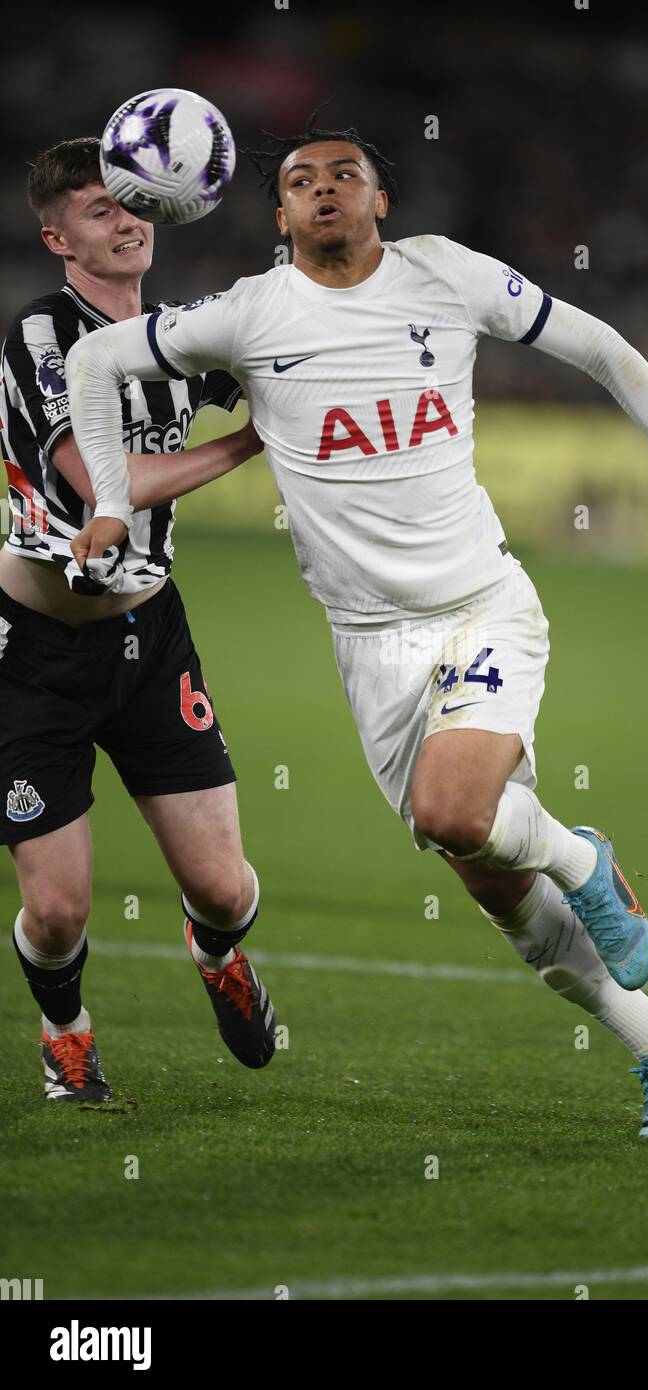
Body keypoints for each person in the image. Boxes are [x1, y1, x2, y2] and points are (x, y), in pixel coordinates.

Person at [66, 117, 648, 1137]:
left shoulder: (448, 277)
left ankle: (582, 858)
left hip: (479, 604)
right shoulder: (249, 314)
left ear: (380, 199)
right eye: (301, 180)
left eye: (346, 174)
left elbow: (602, 347)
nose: (325, 189)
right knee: (490, 883)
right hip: (367, 642)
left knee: (451, 813)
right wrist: (112, 504)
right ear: (279, 213)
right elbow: (93, 362)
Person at [0, 138, 277, 1102]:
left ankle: (217, 954)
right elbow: (98, 483)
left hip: (151, 639)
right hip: (31, 653)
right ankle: (65, 1031)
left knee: (225, 889)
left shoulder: (177, 337)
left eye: (133, 206)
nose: (125, 222)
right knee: (61, 909)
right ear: (56, 236)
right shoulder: (42, 336)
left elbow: (283, 359)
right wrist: (249, 442)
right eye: (97, 210)